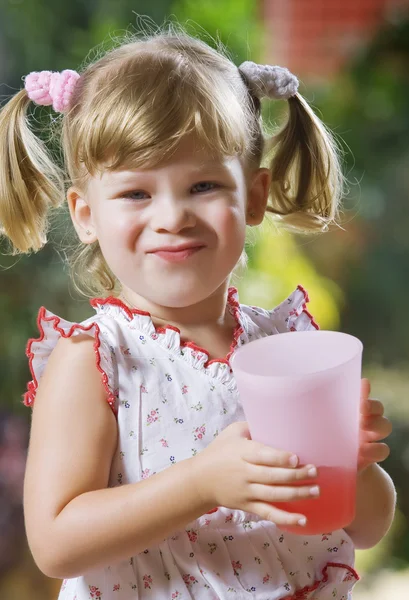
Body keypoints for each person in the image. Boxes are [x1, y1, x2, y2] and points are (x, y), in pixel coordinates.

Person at [0, 25, 395, 600]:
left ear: (254, 197)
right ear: (86, 215)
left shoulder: (286, 347)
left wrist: (351, 467)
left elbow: (367, 526)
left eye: (203, 185)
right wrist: (202, 482)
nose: (172, 216)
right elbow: (56, 542)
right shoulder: (96, 363)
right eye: (137, 193)